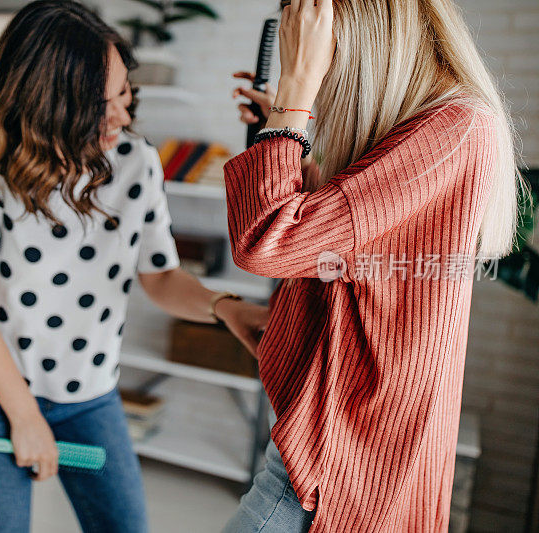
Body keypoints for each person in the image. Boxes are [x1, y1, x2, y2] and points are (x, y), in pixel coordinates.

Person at [0, 2, 269, 532]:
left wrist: (224, 309)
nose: (121, 116)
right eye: (101, 104)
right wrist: (24, 418)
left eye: (124, 95)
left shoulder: (136, 161)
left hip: (89, 396)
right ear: (46, 105)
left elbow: (160, 276)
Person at [225, 0, 523, 531]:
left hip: (337, 460)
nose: (323, 72)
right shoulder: (438, 127)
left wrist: (294, 97)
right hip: (333, 443)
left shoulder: (455, 127)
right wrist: (282, 126)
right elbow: (343, 233)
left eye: (319, 53)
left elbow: (269, 239)